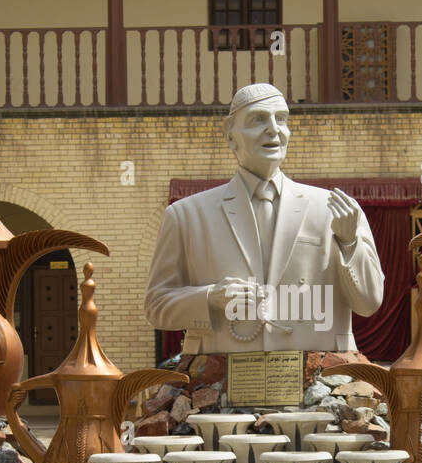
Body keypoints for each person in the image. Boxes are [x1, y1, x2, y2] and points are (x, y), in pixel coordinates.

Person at [145, 83, 384, 354]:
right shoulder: (187, 216)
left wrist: (350, 244)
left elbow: (369, 302)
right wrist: (211, 297)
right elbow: (156, 306)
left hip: (316, 385)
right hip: (222, 386)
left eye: (281, 119)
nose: (273, 129)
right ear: (230, 135)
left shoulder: (335, 209)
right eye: (258, 119)